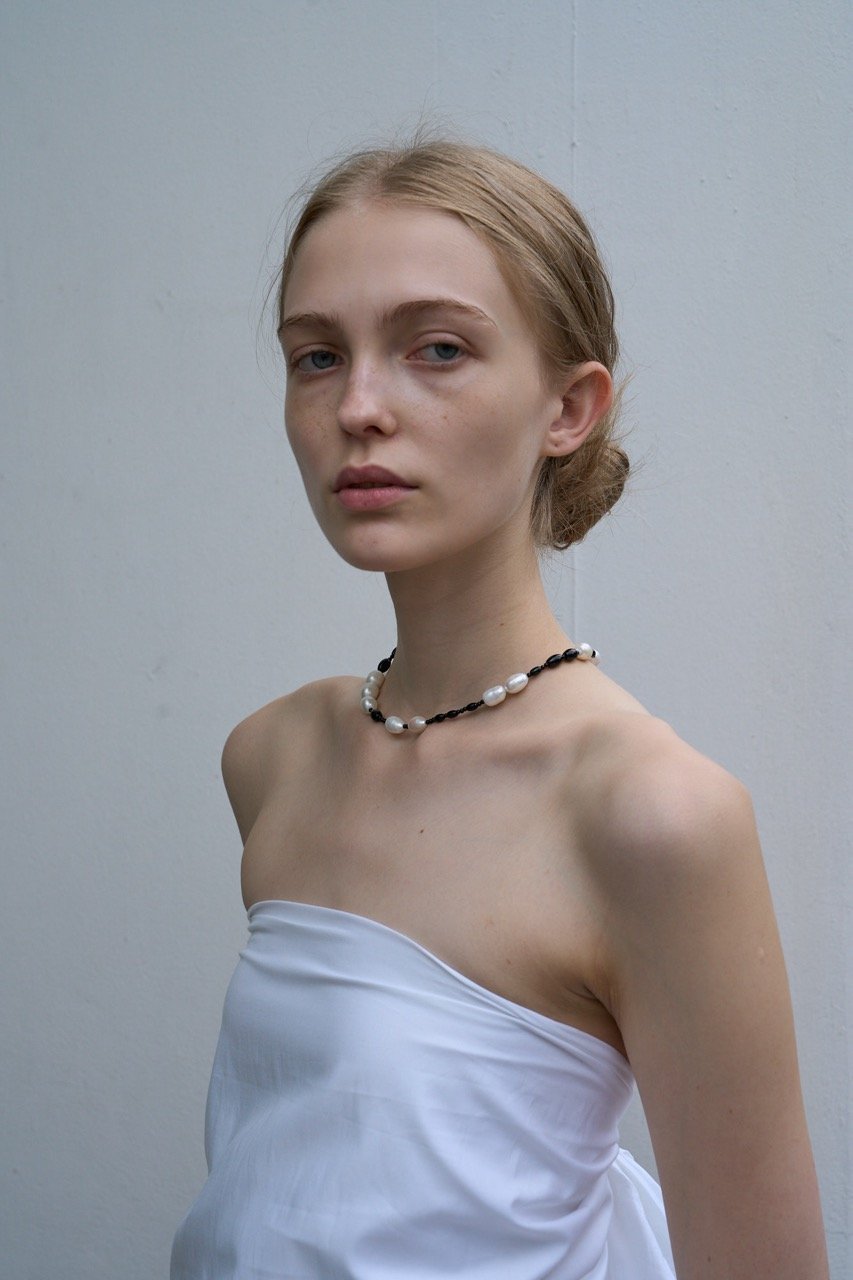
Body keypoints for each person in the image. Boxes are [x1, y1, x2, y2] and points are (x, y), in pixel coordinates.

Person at [170, 139, 828, 1279]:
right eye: (317, 355)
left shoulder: (652, 814)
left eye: (437, 348)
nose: (358, 407)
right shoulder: (273, 758)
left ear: (568, 406)